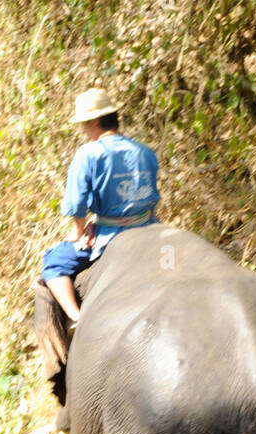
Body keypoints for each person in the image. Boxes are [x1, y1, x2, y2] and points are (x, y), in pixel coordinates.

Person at [41, 87, 160, 325]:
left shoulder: (88, 154)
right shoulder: (145, 152)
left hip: (112, 235)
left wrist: (77, 232)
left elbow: (76, 204)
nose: (84, 130)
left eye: (84, 124)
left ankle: (77, 319)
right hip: (150, 229)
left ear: (94, 120)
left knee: (53, 264)